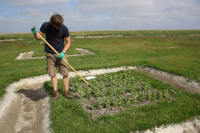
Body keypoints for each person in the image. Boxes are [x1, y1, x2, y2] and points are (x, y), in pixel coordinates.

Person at [31, 13, 73, 100]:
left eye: (60, 25)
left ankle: (66, 91)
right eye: (57, 26)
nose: (59, 27)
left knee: (65, 72)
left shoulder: (64, 28)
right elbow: (39, 37)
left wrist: (63, 52)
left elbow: (68, 42)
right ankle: (55, 92)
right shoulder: (45, 25)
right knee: (52, 73)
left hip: (61, 53)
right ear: (52, 23)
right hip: (50, 54)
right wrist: (35, 33)